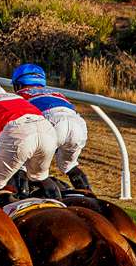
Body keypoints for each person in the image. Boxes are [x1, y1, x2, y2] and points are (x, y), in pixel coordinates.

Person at [12, 63, 92, 192]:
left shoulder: (19, 95)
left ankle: (22, 199)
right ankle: (89, 194)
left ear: (18, 84)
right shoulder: (56, 93)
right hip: (78, 124)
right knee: (69, 166)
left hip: (51, 121)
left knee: (23, 165)